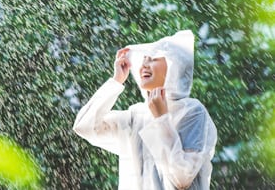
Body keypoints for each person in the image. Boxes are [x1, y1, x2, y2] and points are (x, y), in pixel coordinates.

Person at [73, 30, 217, 190]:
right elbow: (85, 127)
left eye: (153, 59)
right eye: (144, 59)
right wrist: (116, 81)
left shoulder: (192, 112)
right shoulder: (136, 115)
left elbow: (182, 178)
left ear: (174, 66)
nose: (144, 65)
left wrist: (161, 119)